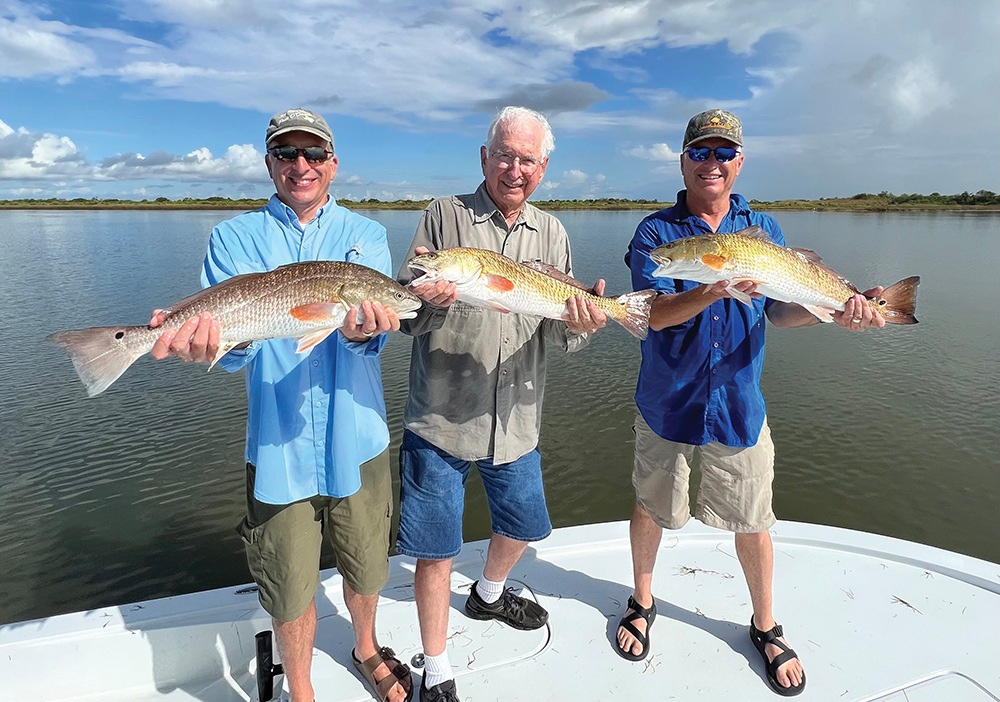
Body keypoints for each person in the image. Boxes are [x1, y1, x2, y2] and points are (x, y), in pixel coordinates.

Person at [148, 108, 413, 702]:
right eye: (286, 153)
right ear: (269, 164)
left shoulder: (366, 235)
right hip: (278, 450)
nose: (301, 165)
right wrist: (205, 347)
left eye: (314, 153)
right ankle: (301, 691)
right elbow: (236, 353)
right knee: (291, 586)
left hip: (359, 437)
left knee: (368, 564)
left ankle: (366, 646)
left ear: (333, 164)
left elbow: (373, 340)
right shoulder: (232, 238)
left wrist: (367, 332)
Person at [618, 109, 885, 696]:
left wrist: (831, 312)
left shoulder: (761, 229)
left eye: (723, 153)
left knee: (755, 519)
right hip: (668, 402)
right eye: (700, 152)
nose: (711, 163)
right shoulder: (657, 235)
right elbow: (652, 314)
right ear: (683, 161)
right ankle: (642, 600)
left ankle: (765, 624)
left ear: (739, 162)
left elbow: (779, 310)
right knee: (650, 504)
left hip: (738, 403)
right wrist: (712, 287)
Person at [396, 106, 608, 702]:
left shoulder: (554, 234)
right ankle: (435, 666)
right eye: (505, 155)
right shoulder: (445, 216)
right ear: (484, 157)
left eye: (528, 160)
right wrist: (431, 297)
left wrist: (585, 321)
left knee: (524, 525)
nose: (515, 169)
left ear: (544, 168)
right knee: (435, 550)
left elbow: (559, 333)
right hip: (440, 418)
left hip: (517, 418)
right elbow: (407, 313)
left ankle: (488, 593)